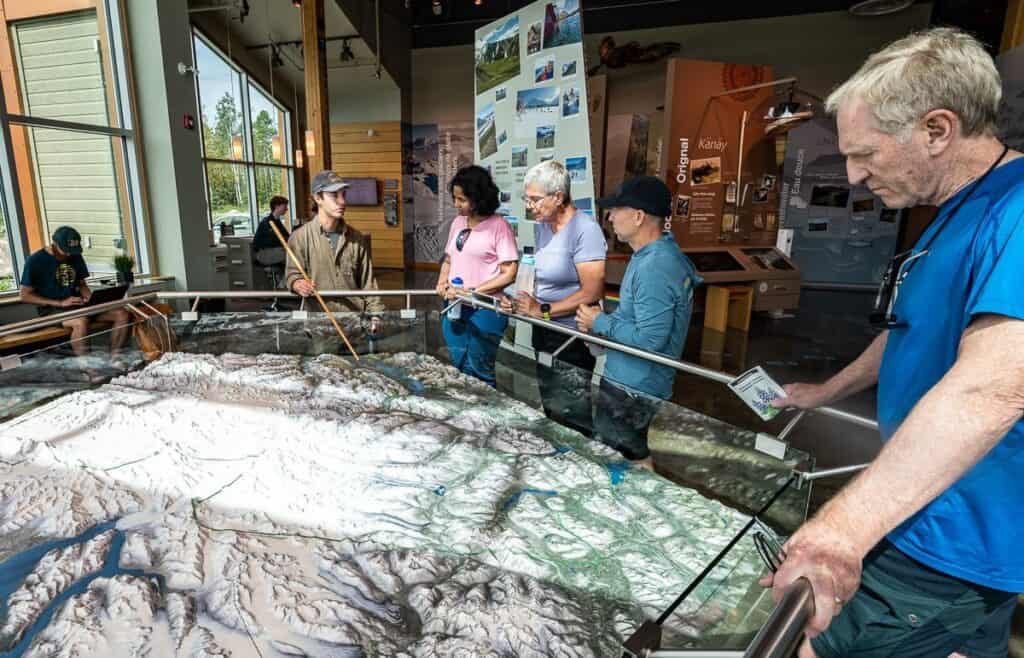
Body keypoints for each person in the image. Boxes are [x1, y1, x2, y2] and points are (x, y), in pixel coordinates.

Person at [761, 28, 1024, 658]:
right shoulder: (955, 210)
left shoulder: (1015, 210)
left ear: (937, 130)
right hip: (911, 509)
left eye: (867, 154)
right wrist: (827, 389)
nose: (853, 176)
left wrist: (838, 535)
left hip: (951, 539)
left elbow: (994, 388)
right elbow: (912, 331)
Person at [575, 176, 700, 468]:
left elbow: (650, 340)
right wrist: (600, 330)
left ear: (639, 216)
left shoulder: (655, 265)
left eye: (616, 209)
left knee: (625, 455)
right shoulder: (651, 256)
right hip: (631, 379)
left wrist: (601, 323)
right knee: (627, 450)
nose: (610, 216)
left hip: (633, 387)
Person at [500, 160, 606, 436]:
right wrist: (517, 298)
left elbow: (592, 291)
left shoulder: (586, 229)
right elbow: (541, 275)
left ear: (558, 197)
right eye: (527, 199)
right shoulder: (543, 226)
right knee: (551, 404)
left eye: (535, 200)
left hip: (572, 337)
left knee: (574, 412)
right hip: (544, 329)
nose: (530, 206)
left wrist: (543, 310)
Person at [436, 165, 519, 386]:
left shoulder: (499, 226)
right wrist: (442, 282)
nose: (456, 205)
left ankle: (486, 418)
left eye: (462, 199)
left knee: (480, 370)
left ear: (478, 197)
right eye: (455, 198)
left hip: (485, 308)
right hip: (454, 305)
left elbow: (509, 273)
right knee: (459, 367)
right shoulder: (457, 222)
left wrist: (473, 293)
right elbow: (449, 258)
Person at [285, 171, 385, 330]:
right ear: (318, 198)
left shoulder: (357, 239)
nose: (342, 201)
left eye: (343, 194)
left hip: (354, 322)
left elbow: (369, 283)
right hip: (318, 323)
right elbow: (292, 273)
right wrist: (297, 283)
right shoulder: (299, 238)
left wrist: (376, 316)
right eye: (334, 195)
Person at [19, 226, 131, 357]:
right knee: (81, 321)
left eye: (72, 251)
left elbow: (82, 284)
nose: (69, 254)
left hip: (78, 305)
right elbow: (24, 295)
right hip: (52, 310)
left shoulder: (76, 256)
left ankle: (115, 358)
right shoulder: (35, 261)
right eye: (65, 251)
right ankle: (88, 370)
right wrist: (60, 303)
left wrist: (89, 297)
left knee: (122, 313)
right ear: (54, 244)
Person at [253, 195, 290, 268]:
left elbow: (287, 237)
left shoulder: (277, 222)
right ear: (276, 206)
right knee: (291, 254)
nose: (286, 208)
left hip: (274, 251)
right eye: (284, 206)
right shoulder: (266, 222)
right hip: (264, 253)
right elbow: (275, 240)